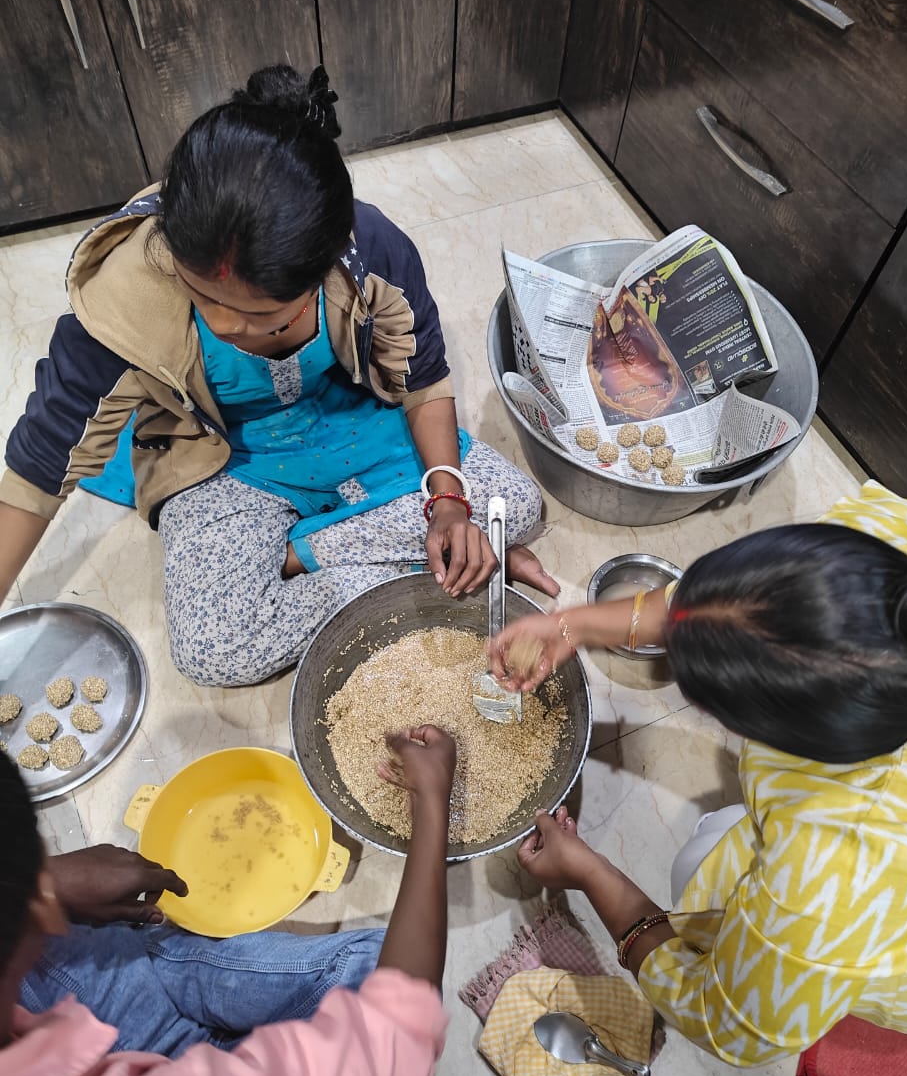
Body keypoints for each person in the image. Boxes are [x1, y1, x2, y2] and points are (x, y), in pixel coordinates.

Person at [0, 64, 557, 687]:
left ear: (323, 272)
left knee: (520, 505)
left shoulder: (370, 250)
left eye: (256, 313)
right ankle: (403, 562)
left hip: (350, 424)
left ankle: (301, 553)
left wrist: (450, 504)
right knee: (214, 648)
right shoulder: (125, 296)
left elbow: (425, 380)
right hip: (223, 459)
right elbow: (33, 473)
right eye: (201, 297)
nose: (225, 324)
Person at [493, 482, 907, 1066]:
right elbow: (727, 608)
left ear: (795, 739)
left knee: (700, 862)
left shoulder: (838, 874)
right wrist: (574, 626)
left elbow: (726, 1023)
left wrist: (589, 871)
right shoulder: (890, 567)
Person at [2, 725, 455, 1076]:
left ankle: (200, 995)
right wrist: (432, 803)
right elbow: (394, 1040)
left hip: (70, 989)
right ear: (40, 910)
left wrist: (53, 882)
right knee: (385, 971)